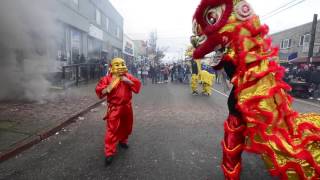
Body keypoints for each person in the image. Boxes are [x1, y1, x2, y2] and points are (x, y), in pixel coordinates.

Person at [95, 57, 141, 166]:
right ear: (111, 67)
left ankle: (123, 140)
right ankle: (109, 152)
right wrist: (110, 86)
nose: (120, 66)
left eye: (122, 64)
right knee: (112, 129)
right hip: (114, 108)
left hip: (127, 106)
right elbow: (100, 91)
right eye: (117, 64)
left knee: (127, 126)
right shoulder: (106, 79)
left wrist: (128, 81)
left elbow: (137, 87)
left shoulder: (128, 76)